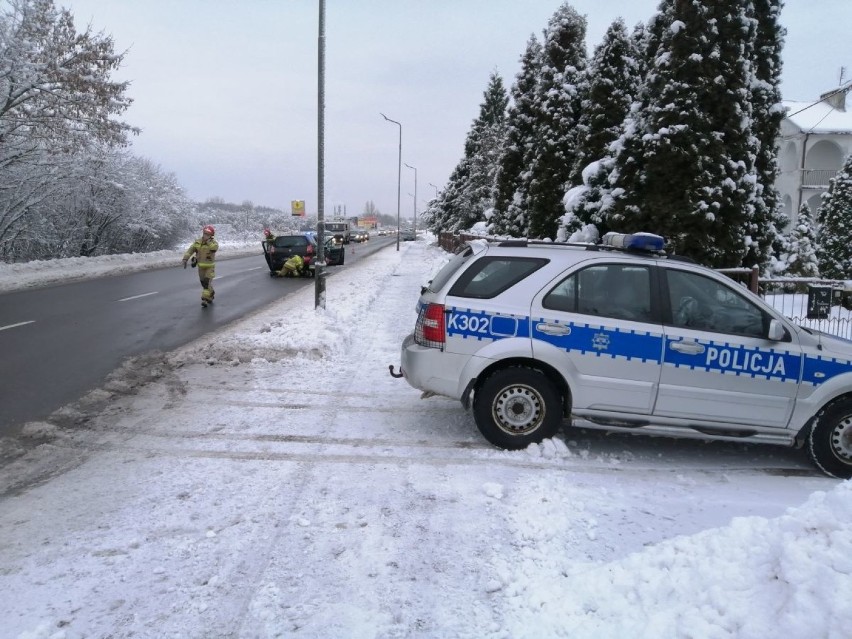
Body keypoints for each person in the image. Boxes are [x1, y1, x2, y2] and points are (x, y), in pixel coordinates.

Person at [182, 225, 218, 307]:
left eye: (208, 235)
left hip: (210, 267)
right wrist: (185, 259)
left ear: (211, 236)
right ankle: (211, 292)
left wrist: (208, 241)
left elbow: (214, 248)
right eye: (205, 234)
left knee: (206, 282)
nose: (205, 236)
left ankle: (205, 299)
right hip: (201, 267)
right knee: (203, 282)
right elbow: (190, 250)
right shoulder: (198, 242)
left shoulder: (213, 243)